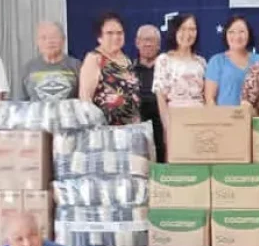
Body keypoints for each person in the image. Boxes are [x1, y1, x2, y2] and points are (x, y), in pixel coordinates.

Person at [154, 13, 207, 149]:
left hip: (200, 121)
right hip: (176, 121)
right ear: (175, 31)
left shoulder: (201, 62)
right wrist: (167, 127)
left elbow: (206, 97)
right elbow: (161, 97)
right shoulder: (164, 60)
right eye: (183, 29)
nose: (187, 34)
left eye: (192, 29)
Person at [79, 12, 141, 125]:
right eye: (109, 33)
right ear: (99, 37)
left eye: (119, 33)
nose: (116, 37)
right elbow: (85, 99)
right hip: (105, 132)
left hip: (131, 130)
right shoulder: (94, 59)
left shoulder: (126, 59)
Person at [14, 21, 81, 101]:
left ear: (63, 40)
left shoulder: (76, 66)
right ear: (37, 42)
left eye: (54, 37)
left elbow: (84, 100)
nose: (49, 42)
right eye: (44, 38)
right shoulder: (28, 68)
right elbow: (20, 104)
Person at [205, 16, 259, 107]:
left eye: (241, 32)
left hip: (253, 118)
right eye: (231, 32)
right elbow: (209, 99)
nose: (237, 36)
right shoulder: (217, 61)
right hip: (223, 119)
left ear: (249, 34)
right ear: (225, 34)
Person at [132, 24, 165, 162]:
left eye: (152, 40)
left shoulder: (167, 68)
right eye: (144, 40)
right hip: (137, 126)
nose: (148, 44)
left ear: (158, 45)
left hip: (164, 125)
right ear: (137, 43)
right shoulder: (128, 69)